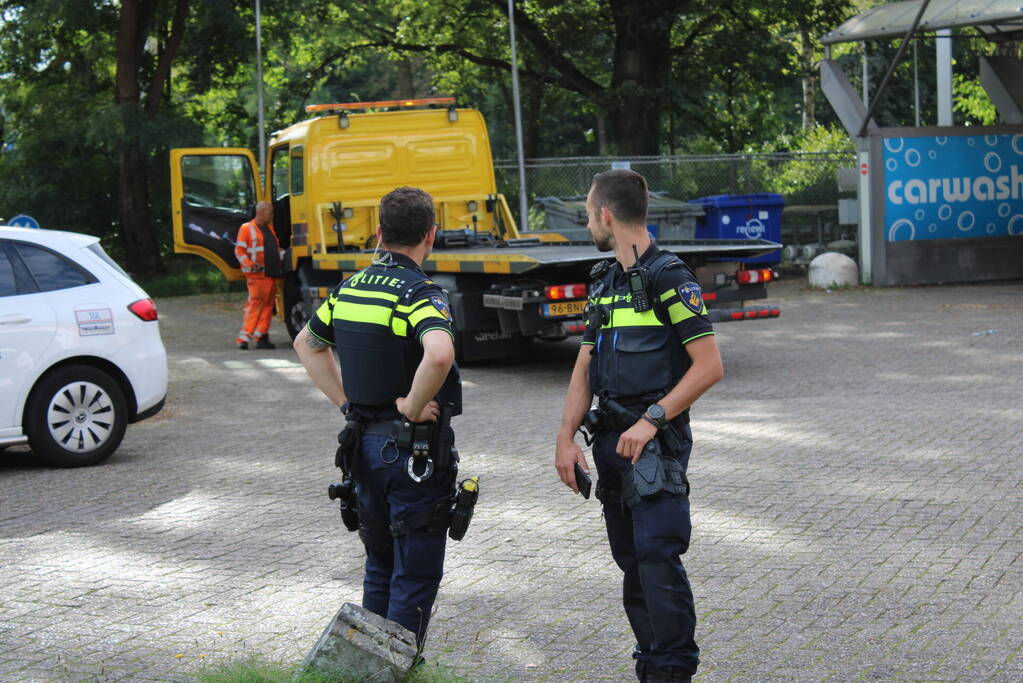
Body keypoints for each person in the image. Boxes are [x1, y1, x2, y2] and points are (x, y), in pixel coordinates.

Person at [554, 170, 724, 683]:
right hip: (609, 444)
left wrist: (652, 420)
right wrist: (564, 439)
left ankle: (673, 671)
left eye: (588, 213)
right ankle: (651, 664)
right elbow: (585, 366)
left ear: (606, 214)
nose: (587, 223)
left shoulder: (671, 277)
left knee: (656, 557)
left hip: (655, 446)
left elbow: (709, 366)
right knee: (630, 560)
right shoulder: (604, 282)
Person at [293, 186, 462, 645]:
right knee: (414, 575)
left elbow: (306, 345)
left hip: (363, 447)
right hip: (413, 455)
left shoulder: (349, 288)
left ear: (380, 233)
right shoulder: (420, 294)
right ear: (430, 234)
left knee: (379, 567)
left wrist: (347, 404)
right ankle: (397, 674)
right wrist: (409, 404)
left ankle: (367, 670)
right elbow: (440, 354)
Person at [234, 200, 282, 349]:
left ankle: (262, 336)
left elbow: (274, 248)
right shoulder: (247, 228)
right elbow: (239, 251)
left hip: (270, 275)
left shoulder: (270, 229)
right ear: (261, 212)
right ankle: (244, 338)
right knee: (255, 305)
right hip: (256, 276)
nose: (272, 215)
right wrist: (249, 265)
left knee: (267, 307)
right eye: (270, 212)